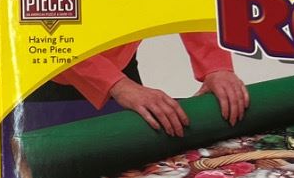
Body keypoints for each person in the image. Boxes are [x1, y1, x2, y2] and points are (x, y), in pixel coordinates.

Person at [59, 32, 250, 136]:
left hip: (120, 62)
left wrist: (216, 67)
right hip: (52, 78)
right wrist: (117, 85)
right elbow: (48, 30)